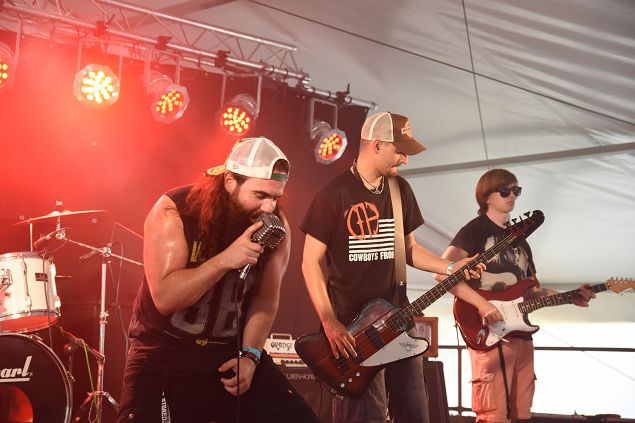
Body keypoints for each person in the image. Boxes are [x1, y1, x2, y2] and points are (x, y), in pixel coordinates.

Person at [117, 137, 318, 423]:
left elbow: (265, 299)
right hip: (165, 351)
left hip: (227, 353)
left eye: (275, 197)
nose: (268, 207)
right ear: (230, 182)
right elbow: (165, 297)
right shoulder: (175, 211)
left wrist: (251, 356)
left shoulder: (275, 226)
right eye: (260, 195)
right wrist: (225, 260)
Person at [300, 112, 485, 423]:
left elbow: (409, 250)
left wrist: (452, 265)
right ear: (377, 145)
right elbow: (310, 262)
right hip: (354, 332)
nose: (405, 159)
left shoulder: (400, 190)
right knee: (366, 417)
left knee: (415, 413)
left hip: (399, 320)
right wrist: (329, 320)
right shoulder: (333, 193)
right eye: (400, 151)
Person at [434, 168, 595, 423]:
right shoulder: (475, 230)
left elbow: (531, 291)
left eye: (516, 191)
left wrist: (570, 297)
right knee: (493, 414)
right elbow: (442, 273)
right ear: (486, 196)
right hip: (488, 332)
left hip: (521, 333)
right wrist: (482, 304)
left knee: (522, 413)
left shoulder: (522, 241)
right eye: (505, 190)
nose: (512, 196)